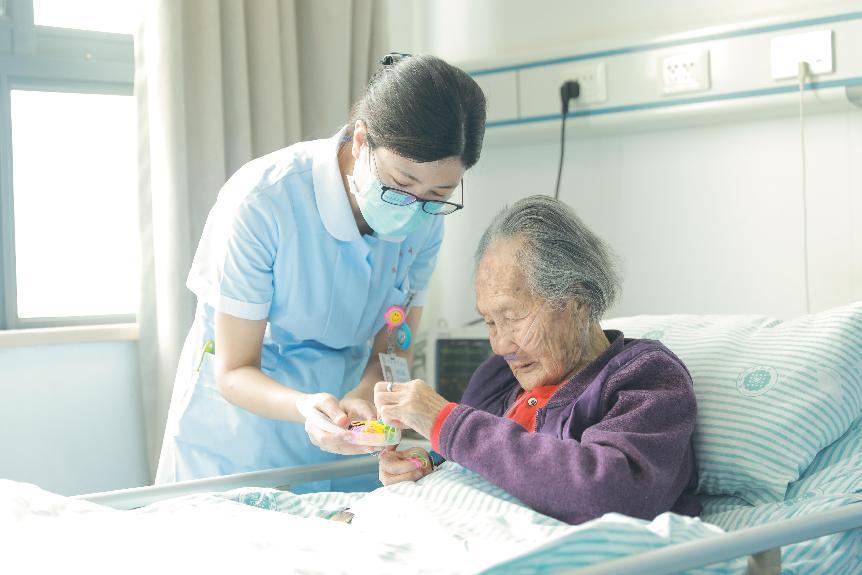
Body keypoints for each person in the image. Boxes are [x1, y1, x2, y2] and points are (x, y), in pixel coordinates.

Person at [155, 53, 487, 487]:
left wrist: (366, 394)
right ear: (362, 140)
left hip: (345, 430)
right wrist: (304, 407)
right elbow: (235, 371)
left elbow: (394, 342)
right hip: (241, 439)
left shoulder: (425, 223)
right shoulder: (264, 201)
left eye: (438, 194)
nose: (413, 208)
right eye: (401, 185)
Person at [375, 195, 700, 525]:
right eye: (490, 322)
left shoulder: (645, 376)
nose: (501, 345)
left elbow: (609, 493)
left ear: (578, 300)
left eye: (513, 316)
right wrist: (424, 465)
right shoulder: (496, 378)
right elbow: (468, 458)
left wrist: (448, 422)